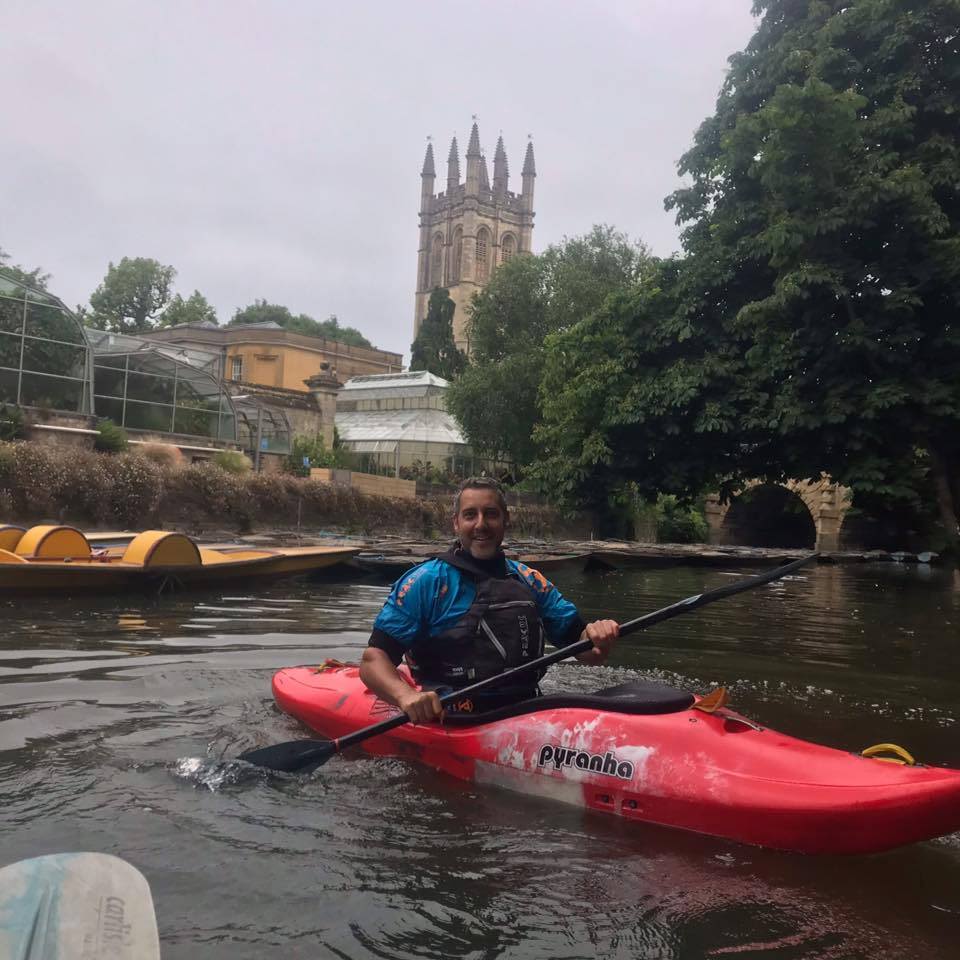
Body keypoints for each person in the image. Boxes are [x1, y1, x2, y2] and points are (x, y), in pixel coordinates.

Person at [360, 476, 619, 722]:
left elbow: (588, 652)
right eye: (470, 514)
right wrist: (406, 696)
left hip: (526, 710)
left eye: (491, 514)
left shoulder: (529, 580)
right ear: (456, 523)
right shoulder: (426, 582)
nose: (481, 524)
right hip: (449, 716)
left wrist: (597, 636)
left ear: (506, 520)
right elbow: (373, 661)